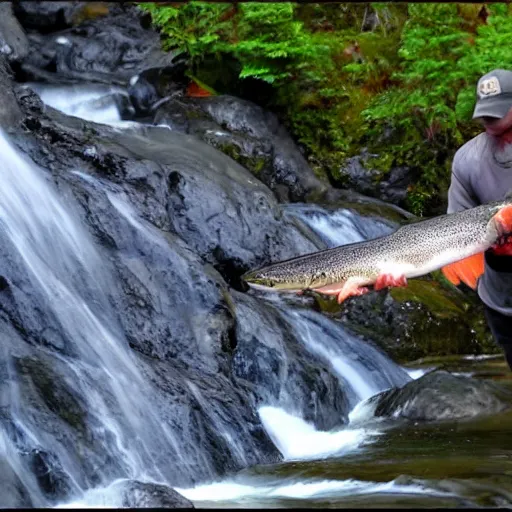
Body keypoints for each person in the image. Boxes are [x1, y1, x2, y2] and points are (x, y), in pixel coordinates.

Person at [447, 68, 512, 370]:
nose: (489, 121)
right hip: (502, 302)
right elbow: (454, 234)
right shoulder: (467, 161)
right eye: (485, 112)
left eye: (498, 112)